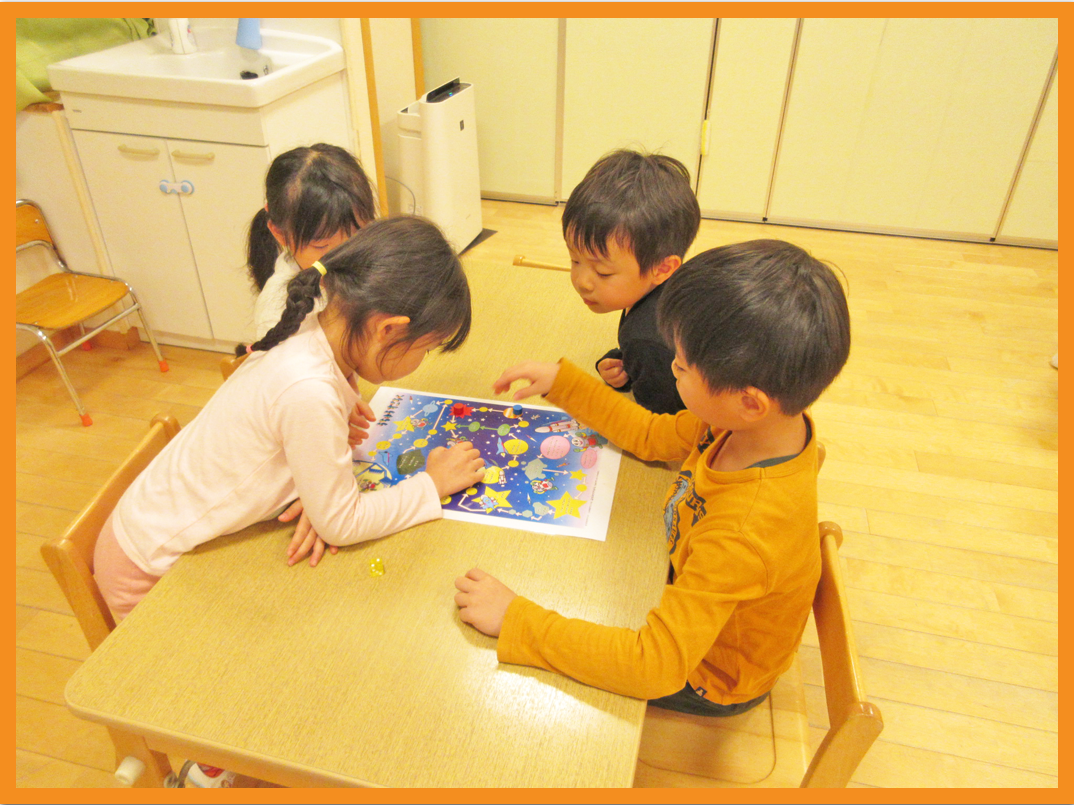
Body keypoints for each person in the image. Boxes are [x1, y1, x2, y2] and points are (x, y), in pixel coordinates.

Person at [455, 239, 851, 716]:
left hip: (707, 675)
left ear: (749, 401)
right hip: (688, 593)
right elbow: (649, 434)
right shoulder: (753, 426)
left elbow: (651, 667)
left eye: (681, 366)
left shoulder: (742, 535)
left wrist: (516, 619)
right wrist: (564, 384)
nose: (671, 370)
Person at [95, 216, 486, 623]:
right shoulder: (308, 390)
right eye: (426, 348)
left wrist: (322, 486)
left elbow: (295, 455)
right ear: (387, 329)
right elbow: (342, 524)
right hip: (147, 572)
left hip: (147, 536)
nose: (422, 360)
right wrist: (431, 485)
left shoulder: (311, 323)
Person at [563, 149, 701, 415]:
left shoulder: (645, 338)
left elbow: (661, 424)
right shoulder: (675, 285)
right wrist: (626, 363)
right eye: (575, 260)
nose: (582, 282)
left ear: (663, 268)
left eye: (603, 272)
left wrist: (640, 362)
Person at [246, 143, 376, 342]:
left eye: (358, 235)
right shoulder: (276, 311)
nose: (345, 256)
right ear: (280, 233)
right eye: (322, 246)